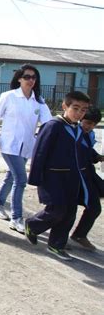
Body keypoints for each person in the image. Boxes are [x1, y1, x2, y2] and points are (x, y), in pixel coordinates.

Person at [25, 91, 91, 260]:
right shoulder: (53, 126)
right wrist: (35, 178)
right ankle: (32, 224)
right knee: (57, 210)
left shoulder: (77, 128)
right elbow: (40, 152)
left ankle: (56, 245)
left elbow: (82, 152)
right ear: (64, 106)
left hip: (72, 178)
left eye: (83, 110)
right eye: (75, 108)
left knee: (69, 212)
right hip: (52, 177)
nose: (79, 113)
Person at [0, 64, 52, 234]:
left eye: (33, 77)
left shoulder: (38, 100)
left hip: (27, 146)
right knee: (21, 180)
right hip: (9, 145)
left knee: (11, 177)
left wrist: (43, 137)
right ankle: (16, 218)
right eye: (27, 77)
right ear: (19, 79)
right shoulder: (9, 96)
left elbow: (48, 123)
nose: (31, 80)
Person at [69, 106, 103, 251]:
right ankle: (35, 226)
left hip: (88, 173)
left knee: (94, 205)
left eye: (93, 124)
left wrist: (97, 157)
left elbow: (89, 151)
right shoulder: (74, 133)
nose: (90, 126)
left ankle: (79, 234)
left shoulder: (90, 134)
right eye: (88, 122)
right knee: (65, 209)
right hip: (76, 174)